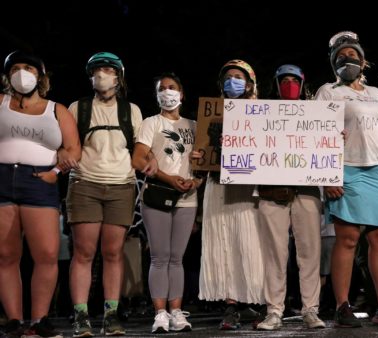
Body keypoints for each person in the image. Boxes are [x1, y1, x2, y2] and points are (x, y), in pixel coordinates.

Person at [315, 31, 378, 328]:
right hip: (346, 168)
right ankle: (342, 306)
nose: (347, 59)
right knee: (348, 238)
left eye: (352, 55)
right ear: (333, 62)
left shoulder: (377, 95)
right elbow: (317, 136)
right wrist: (327, 177)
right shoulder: (327, 92)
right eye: (340, 56)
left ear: (363, 60)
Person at [67, 52, 149, 337]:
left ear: (119, 76)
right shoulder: (78, 107)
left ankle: (110, 314)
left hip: (121, 185)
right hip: (85, 183)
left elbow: (140, 148)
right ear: (90, 76)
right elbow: (69, 145)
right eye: (97, 70)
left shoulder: (132, 110)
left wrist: (148, 162)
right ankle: (81, 315)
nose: (102, 74)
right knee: (84, 252)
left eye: (108, 69)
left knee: (113, 252)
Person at [0, 50, 80, 338]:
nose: (23, 73)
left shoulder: (56, 109)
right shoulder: (1, 103)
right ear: (7, 75)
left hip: (39, 180)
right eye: (16, 68)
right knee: (6, 254)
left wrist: (56, 172)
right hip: (2, 179)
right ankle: (13, 320)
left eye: (29, 68)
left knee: (46, 253)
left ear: (41, 76)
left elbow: (73, 149)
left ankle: (39, 319)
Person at [255, 65, 325, 330]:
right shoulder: (263, 113)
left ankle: (311, 309)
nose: (289, 84)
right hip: (273, 190)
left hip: (306, 191)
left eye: (294, 80)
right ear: (275, 84)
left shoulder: (316, 114)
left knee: (309, 253)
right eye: (284, 80)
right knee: (275, 253)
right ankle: (274, 310)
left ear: (302, 83)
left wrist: (334, 137)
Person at [196, 59, 265, 330]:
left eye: (238, 77)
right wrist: (198, 157)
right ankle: (231, 303)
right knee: (223, 240)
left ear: (249, 83)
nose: (232, 81)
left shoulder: (261, 112)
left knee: (250, 242)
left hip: (249, 187)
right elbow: (202, 149)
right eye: (228, 77)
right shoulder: (211, 114)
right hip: (218, 184)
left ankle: (254, 301)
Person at [131, 73, 199, 333]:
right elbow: (138, 159)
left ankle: (177, 311)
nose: (167, 92)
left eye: (172, 88)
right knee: (160, 257)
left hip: (187, 198)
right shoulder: (151, 122)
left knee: (177, 258)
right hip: (158, 195)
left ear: (181, 94)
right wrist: (166, 177)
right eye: (162, 89)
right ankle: (160, 313)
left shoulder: (194, 124)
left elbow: (202, 166)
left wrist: (195, 182)